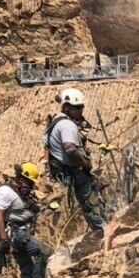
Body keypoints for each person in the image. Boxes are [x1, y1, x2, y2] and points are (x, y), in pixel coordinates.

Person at [44, 88, 105, 232]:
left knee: (89, 204)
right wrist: (86, 163)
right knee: (91, 204)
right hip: (76, 171)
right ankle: (103, 232)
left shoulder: (56, 122)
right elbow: (70, 149)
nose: (80, 110)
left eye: (81, 107)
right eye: (77, 108)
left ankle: (100, 229)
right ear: (66, 107)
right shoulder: (67, 125)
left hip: (69, 171)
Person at [0, 164, 51, 278]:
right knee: (44, 252)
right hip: (15, 233)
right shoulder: (5, 192)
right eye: (29, 183)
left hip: (21, 231)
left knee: (27, 267)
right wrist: (4, 239)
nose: (30, 187)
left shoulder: (16, 191)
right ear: (21, 179)